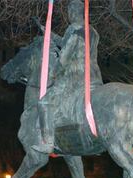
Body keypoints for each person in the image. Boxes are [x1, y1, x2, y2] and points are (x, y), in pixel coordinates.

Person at [32, 0, 103, 154]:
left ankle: (48, 142)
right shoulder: (93, 31)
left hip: (75, 75)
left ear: (73, 12)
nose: (69, 15)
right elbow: (66, 42)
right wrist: (49, 33)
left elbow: (65, 54)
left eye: (69, 11)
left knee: (44, 102)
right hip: (94, 76)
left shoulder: (75, 29)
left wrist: (53, 72)